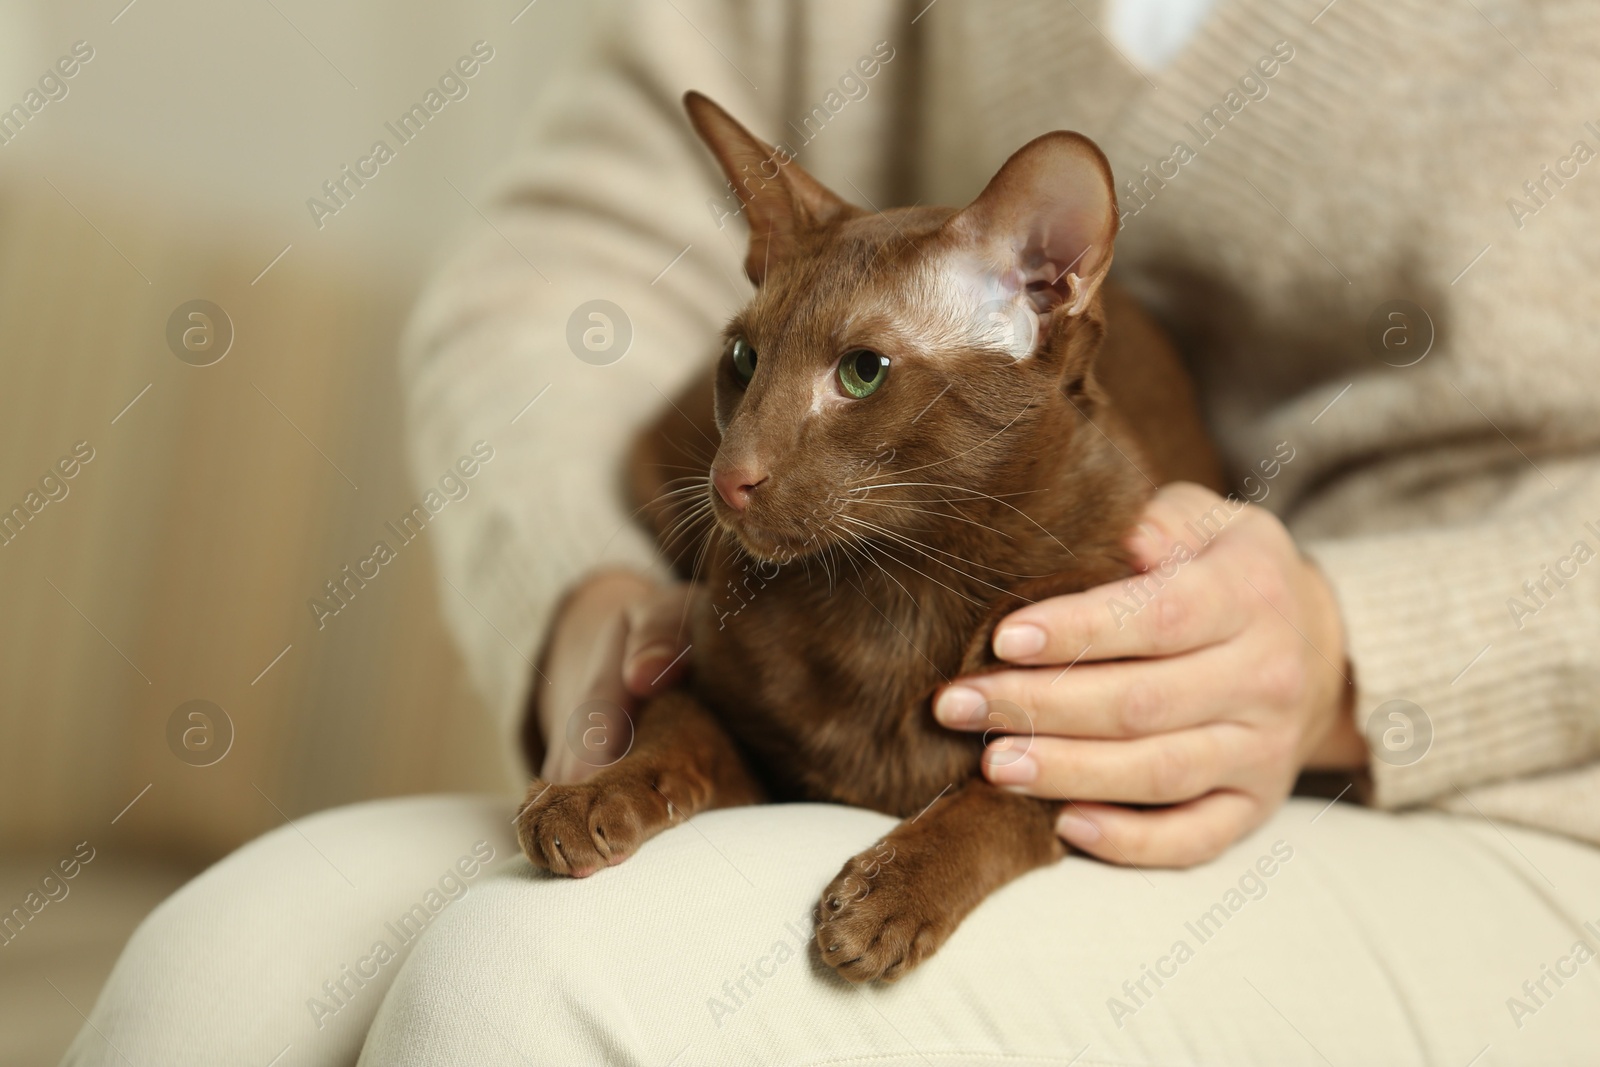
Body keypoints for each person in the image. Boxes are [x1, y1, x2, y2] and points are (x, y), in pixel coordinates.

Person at [67, 1, 1600, 1064]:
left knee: (530, 1000)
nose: (737, 461)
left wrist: (1370, 649)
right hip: (866, 591)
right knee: (221, 974)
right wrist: (574, 586)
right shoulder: (798, 414)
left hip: (1494, 813)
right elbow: (581, 241)